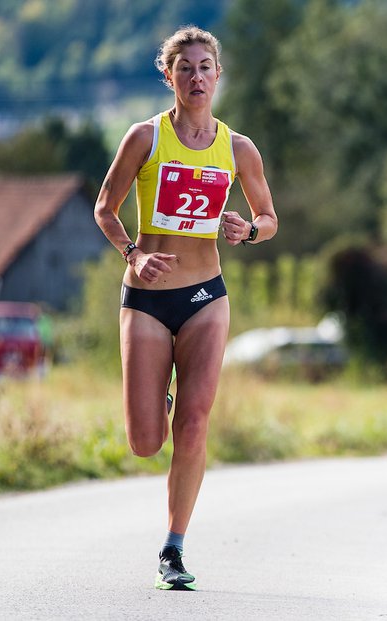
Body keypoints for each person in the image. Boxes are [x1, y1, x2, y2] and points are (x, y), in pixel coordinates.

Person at [93, 26, 277, 591]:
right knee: (147, 441)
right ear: (167, 76)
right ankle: (156, 391)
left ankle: (173, 548)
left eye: (204, 67)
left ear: (218, 75)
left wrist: (247, 231)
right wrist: (132, 254)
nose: (195, 77)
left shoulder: (238, 148)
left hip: (206, 298)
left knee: (194, 425)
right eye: (184, 68)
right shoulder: (143, 138)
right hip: (147, 300)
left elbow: (269, 219)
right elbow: (105, 207)